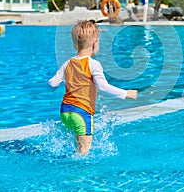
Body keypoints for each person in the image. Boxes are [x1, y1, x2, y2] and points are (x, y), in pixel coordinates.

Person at [48, 20, 138, 154]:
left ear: (74, 44)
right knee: (85, 150)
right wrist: (125, 93)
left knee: (77, 147)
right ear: (95, 43)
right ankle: (78, 174)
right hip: (82, 111)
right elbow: (102, 86)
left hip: (65, 111)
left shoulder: (68, 63)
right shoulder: (93, 64)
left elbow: (52, 84)